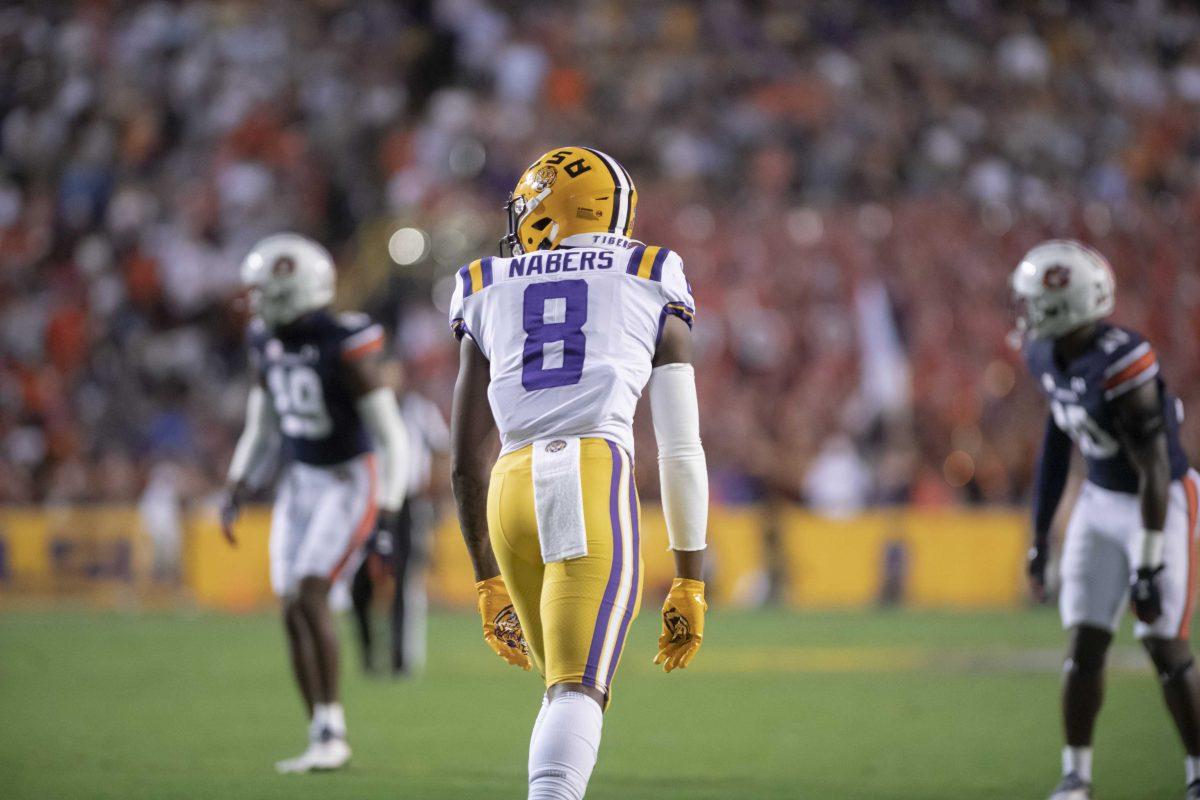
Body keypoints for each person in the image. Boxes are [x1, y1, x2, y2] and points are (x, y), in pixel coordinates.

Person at [448, 146, 710, 800]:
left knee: (562, 687)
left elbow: (460, 459)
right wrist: (690, 578)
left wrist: (485, 576)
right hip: (588, 475)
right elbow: (680, 447)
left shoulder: (485, 282)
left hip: (508, 489)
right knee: (577, 691)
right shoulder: (650, 268)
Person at [1013, 239, 1200, 800]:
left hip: (1159, 499)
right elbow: (1054, 446)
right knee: (1084, 644)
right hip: (1098, 498)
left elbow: (1154, 468)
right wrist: (1040, 534)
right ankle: (1076, 777)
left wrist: (1146, 566)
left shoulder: (1125, 363)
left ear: (1061, 305)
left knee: (1164, 643)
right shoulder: (1047, 353)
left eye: (1033, 301)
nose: (1023, 312)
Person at [219, 234, 409, 774]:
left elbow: (392, 435)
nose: (255, 302)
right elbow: (262, 423)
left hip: (348, 477)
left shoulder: (342, 342)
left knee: (310, 592)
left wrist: (389, 511)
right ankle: (322, 728)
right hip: (301, 481)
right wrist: (237, 483)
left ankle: (333, 734)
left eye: (263, 290)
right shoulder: (264, 338)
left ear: (289, 289)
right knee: (291, 606)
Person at [350, 359, 449, 676]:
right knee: (359, 582)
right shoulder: (366, 410)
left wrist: (434, 491)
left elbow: (440, 450)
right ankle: (368, 655)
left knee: (406, 580)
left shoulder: (420, 410)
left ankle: (401, 660)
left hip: (408, 503)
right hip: (370, 504)